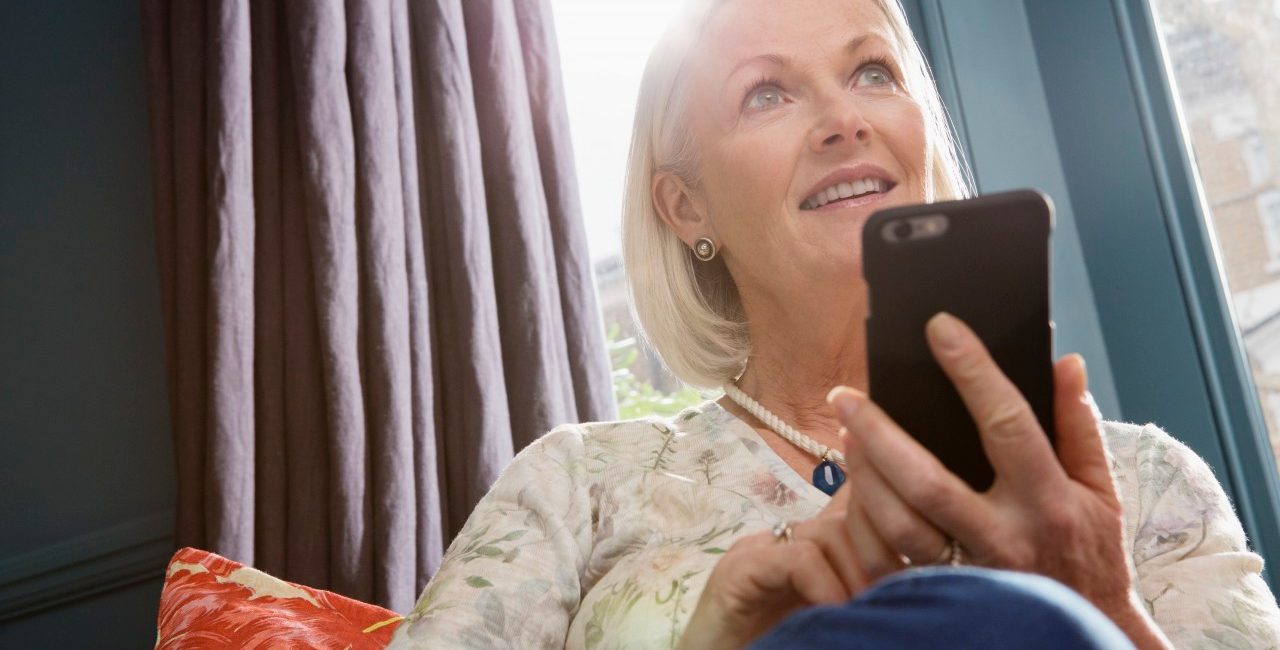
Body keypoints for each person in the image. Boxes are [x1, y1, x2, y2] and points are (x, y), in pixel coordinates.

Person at [387, 0, 1280, 647]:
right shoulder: (576, 487)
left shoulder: (1147, 482)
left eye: (873, 71)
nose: (845, 120)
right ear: (685, 205)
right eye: (767, 94)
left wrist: (1104, 609)